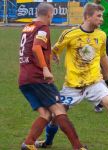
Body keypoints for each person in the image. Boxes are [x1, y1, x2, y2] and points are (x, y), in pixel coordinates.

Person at [35, 3, 108, 150]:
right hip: (72, 85)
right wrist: (53, 58)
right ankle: (48, 142)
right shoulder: (70, 34)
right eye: (98, 16)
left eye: (102, 16)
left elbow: (103, 56)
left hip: (94, 82)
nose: (101, 19)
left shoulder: (101, 35)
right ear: (87, 16)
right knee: (56, 115)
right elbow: (54, 49)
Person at [18, 2, 87, 150]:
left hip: (24, 78)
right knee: (59, 110)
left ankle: (29, 143)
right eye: (53, 14)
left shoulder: (27, 27)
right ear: (49, 14)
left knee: (45, 114)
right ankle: (78, 146)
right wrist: (45, 69)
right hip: (37, 77)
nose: (52, 17)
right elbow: (36, 47)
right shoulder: (43, 27)